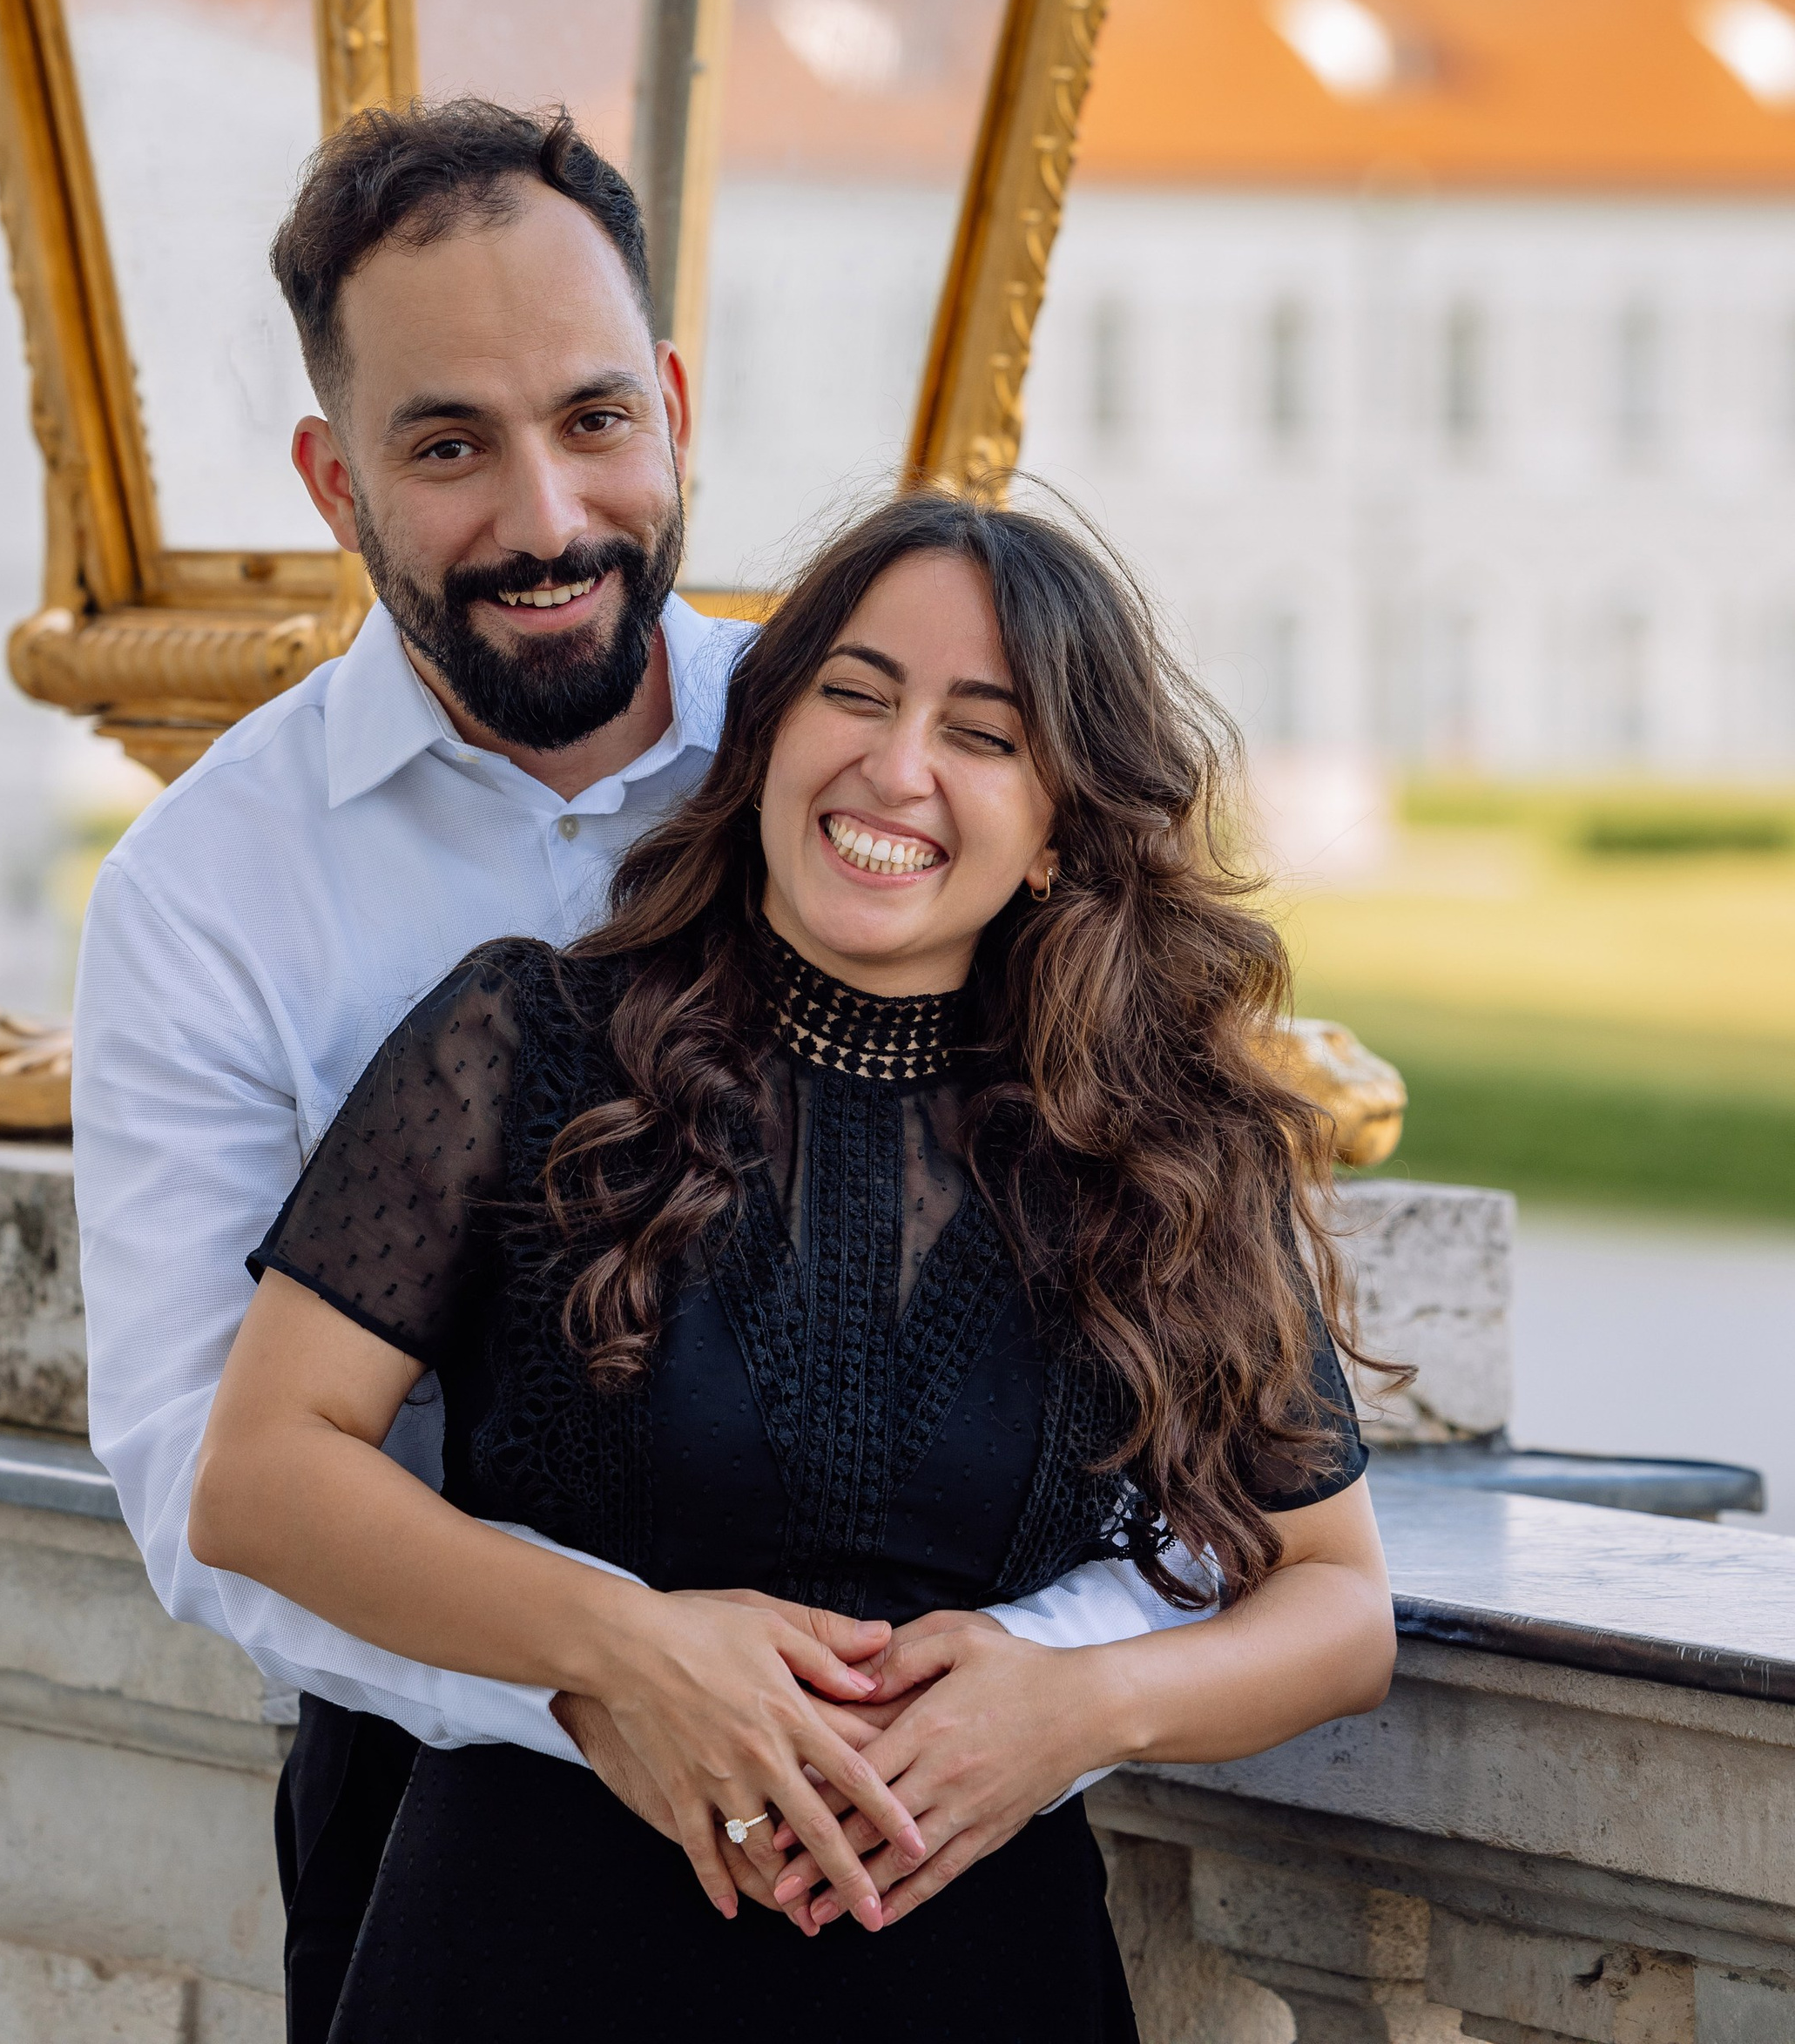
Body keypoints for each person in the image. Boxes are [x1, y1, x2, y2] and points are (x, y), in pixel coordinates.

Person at [73, 99, 1200, 2044]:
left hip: (940, 1834)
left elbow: (1154, 1310)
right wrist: (599, 1677)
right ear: (332, 480)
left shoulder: (866, 754)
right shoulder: (205, 887)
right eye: (448, 447)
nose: (544, 516)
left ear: (671, 403)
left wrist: (1003, 1693)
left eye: (593, 419)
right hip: (463, 1818)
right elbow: (201, 1473)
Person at [190, 486, 1396, 2041]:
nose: (898, 767)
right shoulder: (529, 1044)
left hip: (977, 1985)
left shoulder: (1157, 1158)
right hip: (532, 1961)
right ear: (763, 736)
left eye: (986, 731)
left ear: (1056, 830)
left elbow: (1340, 1606)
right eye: (857, 692)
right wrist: (625, 1647)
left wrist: (1083, 1706)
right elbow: (261, 1477)